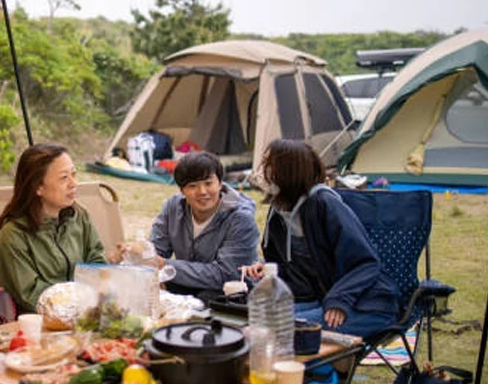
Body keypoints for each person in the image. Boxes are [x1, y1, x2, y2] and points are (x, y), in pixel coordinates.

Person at [244, 139, 398, 340]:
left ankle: (323, 371)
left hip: (366, 304)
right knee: (255, 322)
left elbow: (367, 263)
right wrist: (266, 269)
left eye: (268, 164)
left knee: (280, 331)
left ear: (287, 170)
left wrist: (339, 300)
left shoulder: (325, 204)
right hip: (320, 298)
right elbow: (299, 269)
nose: (263, 171)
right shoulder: (280, 210)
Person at [0, 143, 106, 312]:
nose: (73, 184)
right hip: (37, 326)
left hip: (82, 316)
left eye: (74, 175)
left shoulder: (80, 217)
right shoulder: (13, 237)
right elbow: (32, 296)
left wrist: (111, 267)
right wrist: (79, 305)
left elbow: (96, 262)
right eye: (63, 178)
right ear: (38, 187)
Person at [142, 151, 259, 302]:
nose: (202, 192)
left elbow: (227, 274)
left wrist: (166, 265)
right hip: (186, 287)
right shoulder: (173, 207)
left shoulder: (240, 219)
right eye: (192, 186)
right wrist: (140, 254)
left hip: (228, 295)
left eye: (208, 183)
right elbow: (156, 253)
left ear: (220, 184)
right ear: (182, 190)